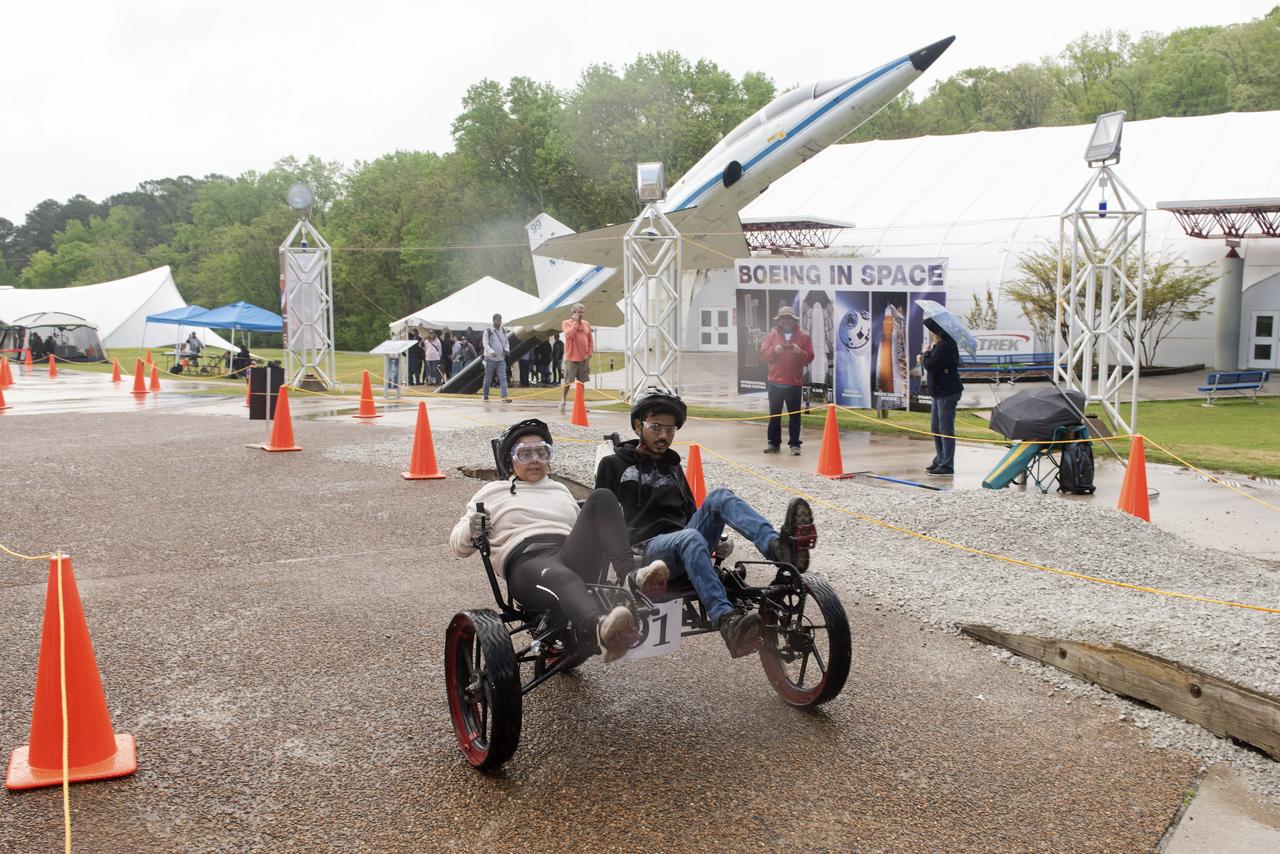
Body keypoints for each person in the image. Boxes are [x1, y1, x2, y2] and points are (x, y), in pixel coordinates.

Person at [595, 389, 817, 658]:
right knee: (689, 538)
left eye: (671, 429)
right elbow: (602, 519)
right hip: (648, 555)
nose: (664, 436)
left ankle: (779, 549)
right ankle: (726, 620)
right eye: (656, 427)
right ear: (638, 425)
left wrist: (717, 540)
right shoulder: (613, 464)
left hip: (685, 544)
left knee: (720, 496)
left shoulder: (674, 468)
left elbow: (692, 514)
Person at [450, 420, 669, 663]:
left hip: (566, 554)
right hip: (527, 563)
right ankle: (602, 630)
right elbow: (458, 546)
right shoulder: (492, 492)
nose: (534, 459)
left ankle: (630, 577)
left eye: (541, 452)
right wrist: (472, 527)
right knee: (562, 576)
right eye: (524, 454)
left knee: (603, 497)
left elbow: (588, 533)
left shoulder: (561, 490)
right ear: (510, 461)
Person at [759, 305, 814, 456]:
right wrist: (773, 351)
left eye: (789, 318)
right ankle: (773, 444)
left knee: (795, 416)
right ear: (779, 320)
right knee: (774, 415)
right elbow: (763, 355)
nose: (786, 321)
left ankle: (795, 445)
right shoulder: (772, 336)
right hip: (775, 382)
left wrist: (799, 351)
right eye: (783, 318)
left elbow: (809, 357)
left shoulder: (803, 337)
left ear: (794, 320)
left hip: (794, 383)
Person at [921, 320, 963, 476]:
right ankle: (940, 459)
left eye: (934, 331)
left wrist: (925, 355)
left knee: (945, 429)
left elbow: (931, 364)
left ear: (940, 332)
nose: (932, 333)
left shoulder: (946, 346)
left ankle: (947, 465)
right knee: (936, 428)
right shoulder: (940, 346)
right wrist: (928, 354)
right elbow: (932, 362)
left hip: (947, 392)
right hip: (939, 392)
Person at [559, 303, 593, 413]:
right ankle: (563, 400)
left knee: (581, 383)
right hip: (571, 358)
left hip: (584, 358)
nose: (581, 314)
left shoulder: (586, 324)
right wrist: (574, 323)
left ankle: (580, 405)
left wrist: (589, 352)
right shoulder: (566, 323)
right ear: (573, 312)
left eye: (582, 312)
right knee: (568, 382)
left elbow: (590, 339)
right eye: (579, 312)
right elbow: (569, 335)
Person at [482, 314, 512, 402]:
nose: (499, 323)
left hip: (501, 359)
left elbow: (507, 342)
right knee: (488, 378)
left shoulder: (503, 330)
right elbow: (485, 344)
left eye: (500, 321)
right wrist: (491, 352)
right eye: (497, 321)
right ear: (493, 320)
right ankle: (486, 395)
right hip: (490, 359)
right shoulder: (488, 331)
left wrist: (506, 350)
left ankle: (504, 396)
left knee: (503, 377)